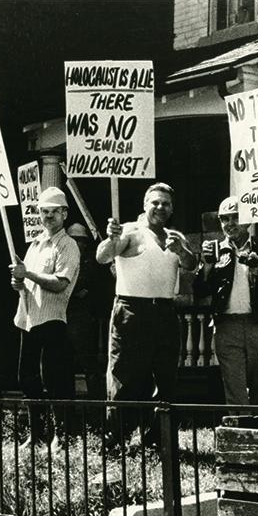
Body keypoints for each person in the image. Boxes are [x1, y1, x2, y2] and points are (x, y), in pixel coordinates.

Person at [96, 182, 196, 443]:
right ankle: (116, 438)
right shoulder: (130, 230)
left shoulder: (176, 237)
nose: (160, 208)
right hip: (131, 310)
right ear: (145, 204)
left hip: (164, 311)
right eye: (155, 202)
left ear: (172, 208)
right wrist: (111, 238)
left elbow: (192, 264)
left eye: (166, 204)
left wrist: (181, 251)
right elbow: (102, 257)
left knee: (165, 377)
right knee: (123, 377)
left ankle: (158, 439)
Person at [10, 186, 80, 440]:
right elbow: (26, 281)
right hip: (28, 317)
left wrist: (27, 274)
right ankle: (37, 434)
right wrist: (19, 281)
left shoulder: (68, 246)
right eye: (44, 212)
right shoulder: (35, 245)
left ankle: (62, 435)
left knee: (55, 378)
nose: (48, 217)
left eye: (54, 212)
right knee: (26, 378)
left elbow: (60, 282)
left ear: (64, 214)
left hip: (51, 318)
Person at [194, 196, 258, 406]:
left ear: (248, 220)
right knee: (234, 386)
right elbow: (199, 292)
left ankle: (257, 431)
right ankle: (239, 430)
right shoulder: (215, 250)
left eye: (235, 217)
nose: (229, 224)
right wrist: (207, 266)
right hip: (227, 326)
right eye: (224, 219)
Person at [65, 222, 108, 403]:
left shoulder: (89, 263)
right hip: (62, 316)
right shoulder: (62, 259)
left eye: (82, 241)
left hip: (82, 319)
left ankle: (96, 407)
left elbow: (89, 287)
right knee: (63, 364)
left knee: (89, 364)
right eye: (75, 240)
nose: (79, 244)